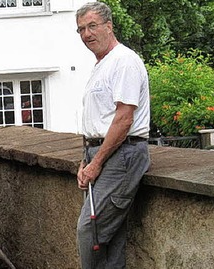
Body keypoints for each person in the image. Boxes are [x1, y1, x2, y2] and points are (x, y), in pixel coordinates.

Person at [75, 2, 150, 269]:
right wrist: (86, 160)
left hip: (122, 154)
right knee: (110, 239)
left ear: (109, 26)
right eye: (81, 29)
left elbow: (123, 118)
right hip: (103, 153)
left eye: (92, 26)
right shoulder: (102, 65)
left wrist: (96, 162)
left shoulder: (124, 61)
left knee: (90, 231)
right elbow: (98, 121)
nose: (86, 34)